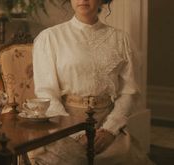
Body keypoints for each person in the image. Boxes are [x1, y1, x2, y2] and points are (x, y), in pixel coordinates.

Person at [31, 0, 154, 164]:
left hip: (107, 122)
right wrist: (77, 133)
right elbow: (46, 93)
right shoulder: (51, 37)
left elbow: (129, 92)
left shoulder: (120, 39)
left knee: (122, 157)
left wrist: (110, 130)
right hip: (64, 124)